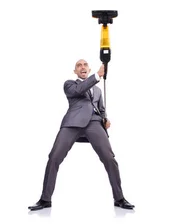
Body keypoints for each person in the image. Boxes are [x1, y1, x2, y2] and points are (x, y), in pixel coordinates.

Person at [28, 59, 134, 211]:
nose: (82, 67)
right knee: (54, 157)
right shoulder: (70, 84)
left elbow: (101, 108)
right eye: (79, 65)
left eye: (85, 65)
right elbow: (79, 91)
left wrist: (105, 119)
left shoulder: (97, 90)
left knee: (109, 158)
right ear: (75, 71)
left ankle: (119, 198)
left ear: (88, 69)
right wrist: (97, 76)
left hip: (94, 123)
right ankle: (45, 199)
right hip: (72, 123)